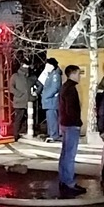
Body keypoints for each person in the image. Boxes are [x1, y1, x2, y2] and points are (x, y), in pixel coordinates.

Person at [58, 65, 86, 196]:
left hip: (64, 124)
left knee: (65, 153)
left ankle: (63, 180)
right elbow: (71, 109)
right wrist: (77, 122)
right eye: (78, 73)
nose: (79, 76)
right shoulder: (71, 89)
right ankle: (69, 182)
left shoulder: (65, 87)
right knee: (70, 155)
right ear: (72, 74)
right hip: (71, 125)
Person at [40, 58, 62, 142]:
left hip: (51, 101)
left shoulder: (55, 75)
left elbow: (55, 88)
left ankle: (54, 135)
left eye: (48, 65)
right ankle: (51, 134)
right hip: (49, 102)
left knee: (53, 119)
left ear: (52, 66)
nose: (46, 66)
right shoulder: (50, 74)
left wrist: (46, 96)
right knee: (50, 119)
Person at [10, 64, 31, 141]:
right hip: (19, 102)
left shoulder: (28, 77)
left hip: (27, 101)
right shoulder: (15, 76)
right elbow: (11, 88)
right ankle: (15, 134)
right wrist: (19, 94)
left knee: (24, 119)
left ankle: (18, 133)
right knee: (18, 119)